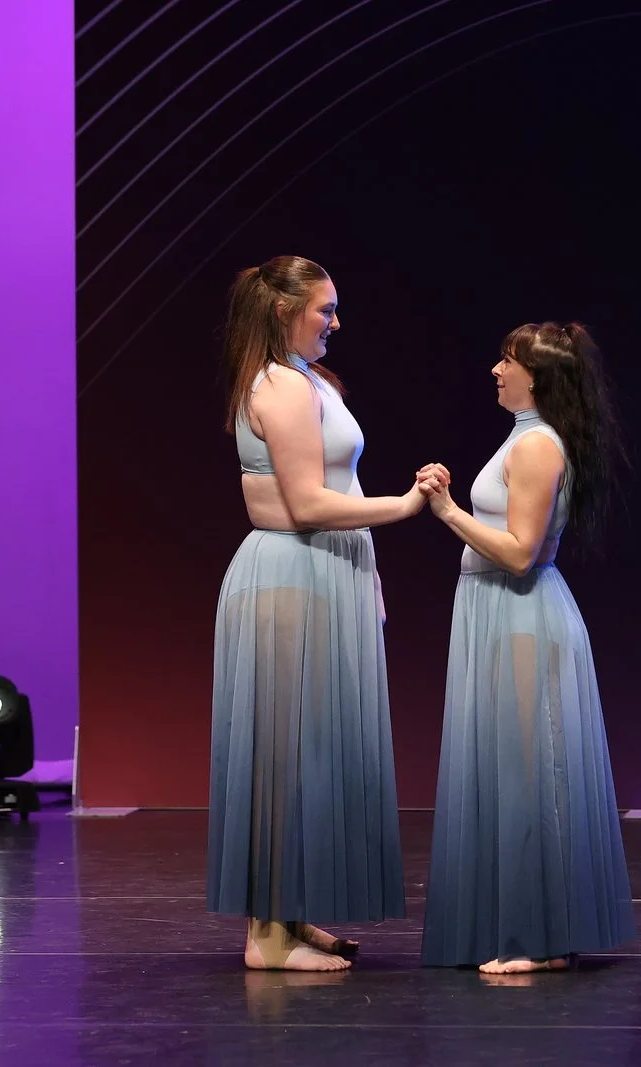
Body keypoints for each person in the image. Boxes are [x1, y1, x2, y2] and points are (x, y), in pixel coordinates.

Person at [207, 255, 427, 971]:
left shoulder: (308, 380)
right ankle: (268, 936)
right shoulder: (279, 386)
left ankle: (290, 916)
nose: (335, 321)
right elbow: (306, 503)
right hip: (291, 575)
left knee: (309, 750)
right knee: (283, 752)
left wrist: (369, 576)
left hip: (325, 573)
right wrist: (405, 506)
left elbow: (340, 482)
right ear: (283, 311)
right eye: (324, 309)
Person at [416, 321, 637, 974]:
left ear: (536, 377)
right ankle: (517, 928)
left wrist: (448, 510)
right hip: (495, 613)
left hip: (518, 613)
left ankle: (537, 939)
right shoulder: (524, 436)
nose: (495, 369)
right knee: (508, 771)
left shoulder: (538, 445)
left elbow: (518, 553)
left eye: (507, 360)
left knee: (527, 776)